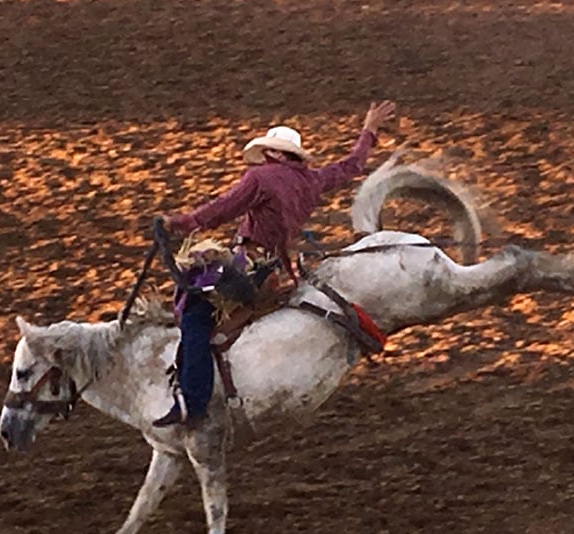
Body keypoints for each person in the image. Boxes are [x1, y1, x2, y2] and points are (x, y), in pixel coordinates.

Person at [152, 100, 397, 428]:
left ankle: (193, 403)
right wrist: (369, 130)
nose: (265, 159)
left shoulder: (262, 178)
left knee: (195, 317)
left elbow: (222, 209)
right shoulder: (312, 180)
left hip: (250, 267)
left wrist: (178, 224)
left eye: (269, 153)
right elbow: (351, 166)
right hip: (279, 272)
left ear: (280, 155)